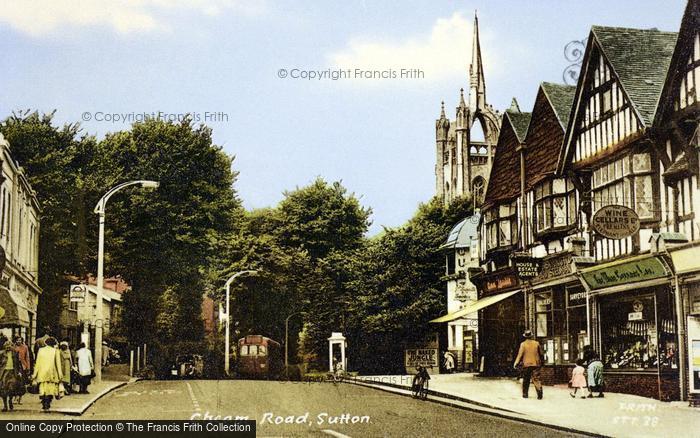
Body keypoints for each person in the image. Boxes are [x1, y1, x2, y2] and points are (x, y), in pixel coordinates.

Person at [32, 337, 62, 411]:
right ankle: (47, 405)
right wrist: (60, 375)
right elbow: (58, 364)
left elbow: (37, 363)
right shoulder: (55, 351)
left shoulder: (41, 350)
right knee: (50, 390)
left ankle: (44, 403)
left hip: (42, 374)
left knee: (43, 390)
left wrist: (34, 374)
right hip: (52, 374)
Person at [513, 329, 544, 399]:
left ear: (525, 336)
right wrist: (542, 362)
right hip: (535, 364)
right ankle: (539, 394)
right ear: (531, 336)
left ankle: (525, 394)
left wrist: (516, 363)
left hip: (526, 365)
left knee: (526, 380)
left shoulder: (523, 344)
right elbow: (541, 354)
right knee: (536, 379)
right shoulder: (537, 343)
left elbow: (520, 355)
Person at [0, 339, 24, 411]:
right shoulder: (1, 354)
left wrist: (20, 372)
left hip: (13, 372)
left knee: (12, 388)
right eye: (7, 346)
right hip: (4, 373)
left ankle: (10, 400)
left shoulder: (15, 353)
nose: (8, 347)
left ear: (12, 346)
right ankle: (5, 405)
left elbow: (18, 363)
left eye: (9, 345)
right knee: (3, 389)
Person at [13, 337, 31, 405]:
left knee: (22, 383)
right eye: (17, 340)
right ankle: (15, 397)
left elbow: (27, 358)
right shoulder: (13, 347)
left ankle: (20, 398)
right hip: (15, 367)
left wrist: (28, 368)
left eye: (20, 340)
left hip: (23, 366)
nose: (18, 341)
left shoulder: (25, 347)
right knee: (15, 383)